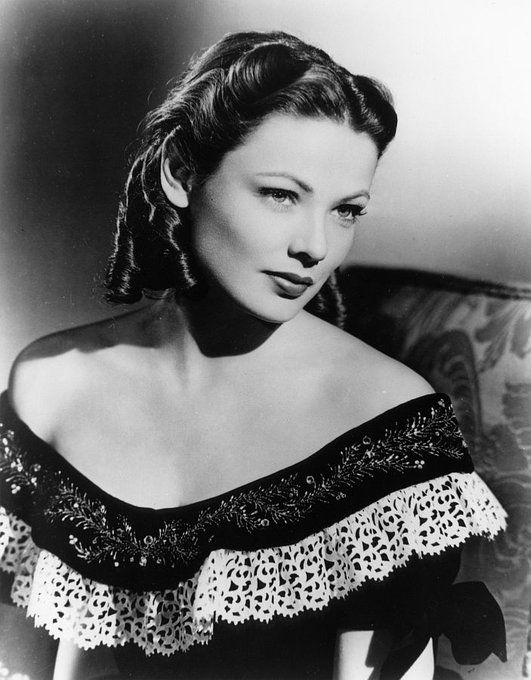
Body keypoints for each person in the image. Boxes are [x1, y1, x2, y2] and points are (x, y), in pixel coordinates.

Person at [0, 31, 506, 680]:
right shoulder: (51, 388)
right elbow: (27, 657)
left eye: (346, 211)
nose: (314, 246)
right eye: (281, 195)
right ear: (181, 174)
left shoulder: (388, 424)